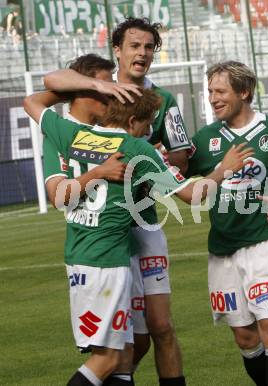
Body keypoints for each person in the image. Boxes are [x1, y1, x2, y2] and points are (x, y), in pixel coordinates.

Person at [24, 86, 253, 386]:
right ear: (132, 122)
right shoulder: (137, 149)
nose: (147, 132)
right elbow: (192, 195)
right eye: (146, 125)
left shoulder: (73, 135)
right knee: (109, 359)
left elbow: (32, 102)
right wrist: (224, 169)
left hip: (77, 259)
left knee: (117, 355)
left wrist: (84, 85)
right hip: (110, 263)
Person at [44, 18, 192, 385]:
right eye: (134, 46)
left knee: (159, 326)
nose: (141, 53)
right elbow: (50, 85)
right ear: (119, 51)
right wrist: (94, 82)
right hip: (106, 228)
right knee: (121, 341)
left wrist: (154, 160)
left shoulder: (165, 100)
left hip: (143, 222)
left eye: (148, 47)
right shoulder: (102, 93)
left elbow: (180, 159)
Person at [185, 61, 268, 386]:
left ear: (244, 92)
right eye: (210, 91)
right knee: (245, 337)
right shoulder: (204, 139)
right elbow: (178, 180)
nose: (213, 98)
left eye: (220, 91)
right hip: (223, 249)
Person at [42, 53, 140, 386]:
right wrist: (98, 174)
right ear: (85, 89)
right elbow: (58, 196)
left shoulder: (113, 131)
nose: (112, 92)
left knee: (124, 352)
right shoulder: (60, 133)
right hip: (97, 257)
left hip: (124, 247)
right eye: (104, 85)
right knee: (109, 356)